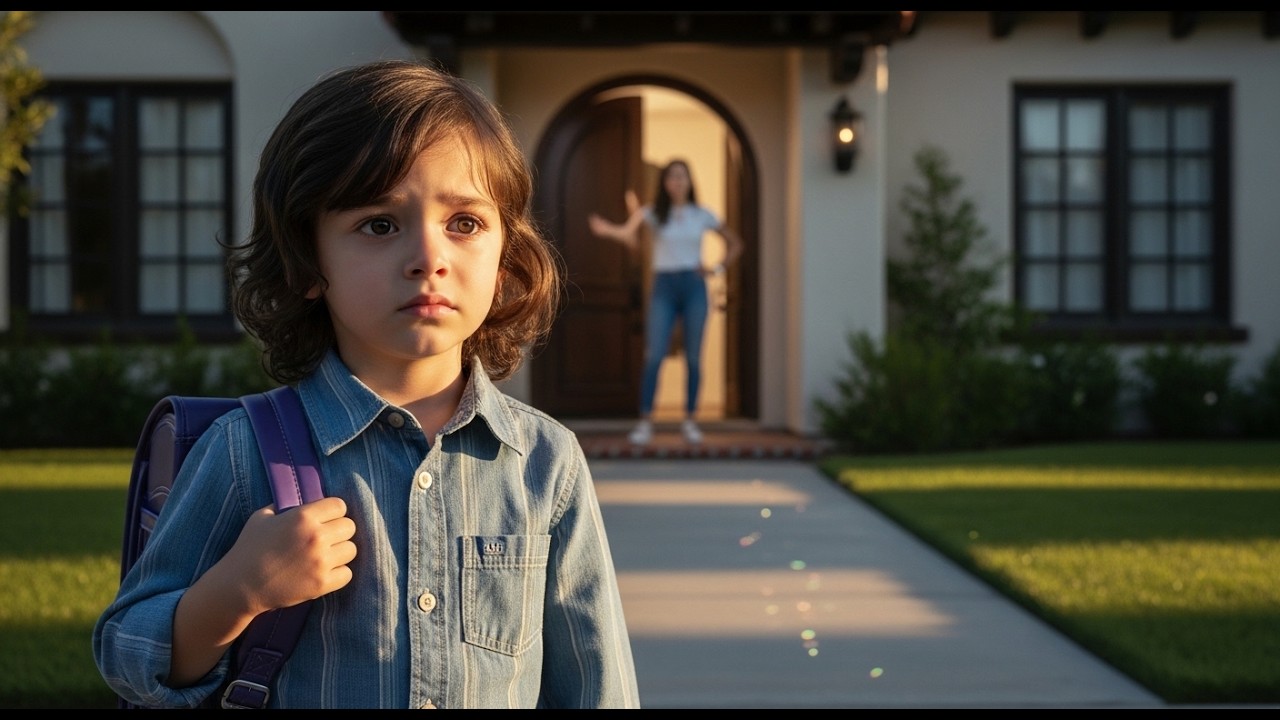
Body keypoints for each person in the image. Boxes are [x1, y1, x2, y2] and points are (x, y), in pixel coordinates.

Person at [93, 60, 640, 709]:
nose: (428, 257)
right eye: (380, 224)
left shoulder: (545, 465)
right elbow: (125, 651)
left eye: (464, 223)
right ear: (306, 262)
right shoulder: (244, 451)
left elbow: (597, 685)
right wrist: (236, 590)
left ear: (504, 255)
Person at [587, 159, 743, 446]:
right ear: (665, 183)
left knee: (694, 357)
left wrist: (716, 269)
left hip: (694, 286)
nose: (677, 181)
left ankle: (690, 421)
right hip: (664, 288)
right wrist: (607, 230)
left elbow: (735, 243)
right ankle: (645, 422)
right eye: (671, 177)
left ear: (689, 181)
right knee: (654, 354)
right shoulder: (653, 213)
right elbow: (627, 233)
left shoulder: (702, 214)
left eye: (682, 176)